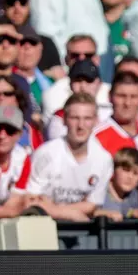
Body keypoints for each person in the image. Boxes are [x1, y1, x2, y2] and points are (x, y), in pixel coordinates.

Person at [25, 93, 114, 221]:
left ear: (96, 121)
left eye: (87, 118)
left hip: (79, 230)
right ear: (64, 119)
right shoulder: (45, 154)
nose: (81, 125)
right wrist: (69, 214)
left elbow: (92, 204)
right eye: (75, 118)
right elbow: (30, 200)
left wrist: (54, 208)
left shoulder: (104, 159)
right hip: (42, 225)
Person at [94, 147, 138, 221]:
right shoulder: (98, 190)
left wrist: (135, 213)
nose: (130, 177)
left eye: (135, 173)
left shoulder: (134, 196)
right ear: (113, 169)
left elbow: (127, 212)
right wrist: (105, 214)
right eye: (126, 170)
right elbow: (85, 211)